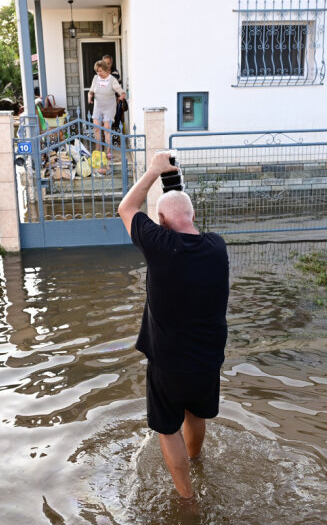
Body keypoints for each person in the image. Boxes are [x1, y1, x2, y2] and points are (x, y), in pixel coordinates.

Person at [117, 152, 230, 501]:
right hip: (208, 359)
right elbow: (184, 223)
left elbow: (126, 208)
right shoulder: (217, 247)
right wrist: (175, 191)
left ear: (162, 221)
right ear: (193, 216)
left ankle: (187, 499)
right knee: (195, 413)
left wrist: (154, 170)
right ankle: (196, 461)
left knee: (168, 429)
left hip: (168, 363)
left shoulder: (161, 246)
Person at [87, 60, 125, 161]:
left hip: (109, 107)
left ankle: (108, 152)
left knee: (107, 129)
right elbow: (91, 91)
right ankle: (98, 150)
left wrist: (121, 97)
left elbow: (121, 92)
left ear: (106, 70)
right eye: (97, 71)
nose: (99, 73)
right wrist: (89, 96)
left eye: (101, 71)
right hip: (98, 106)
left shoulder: (112, 80)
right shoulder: (95, 78)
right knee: (97, 128)